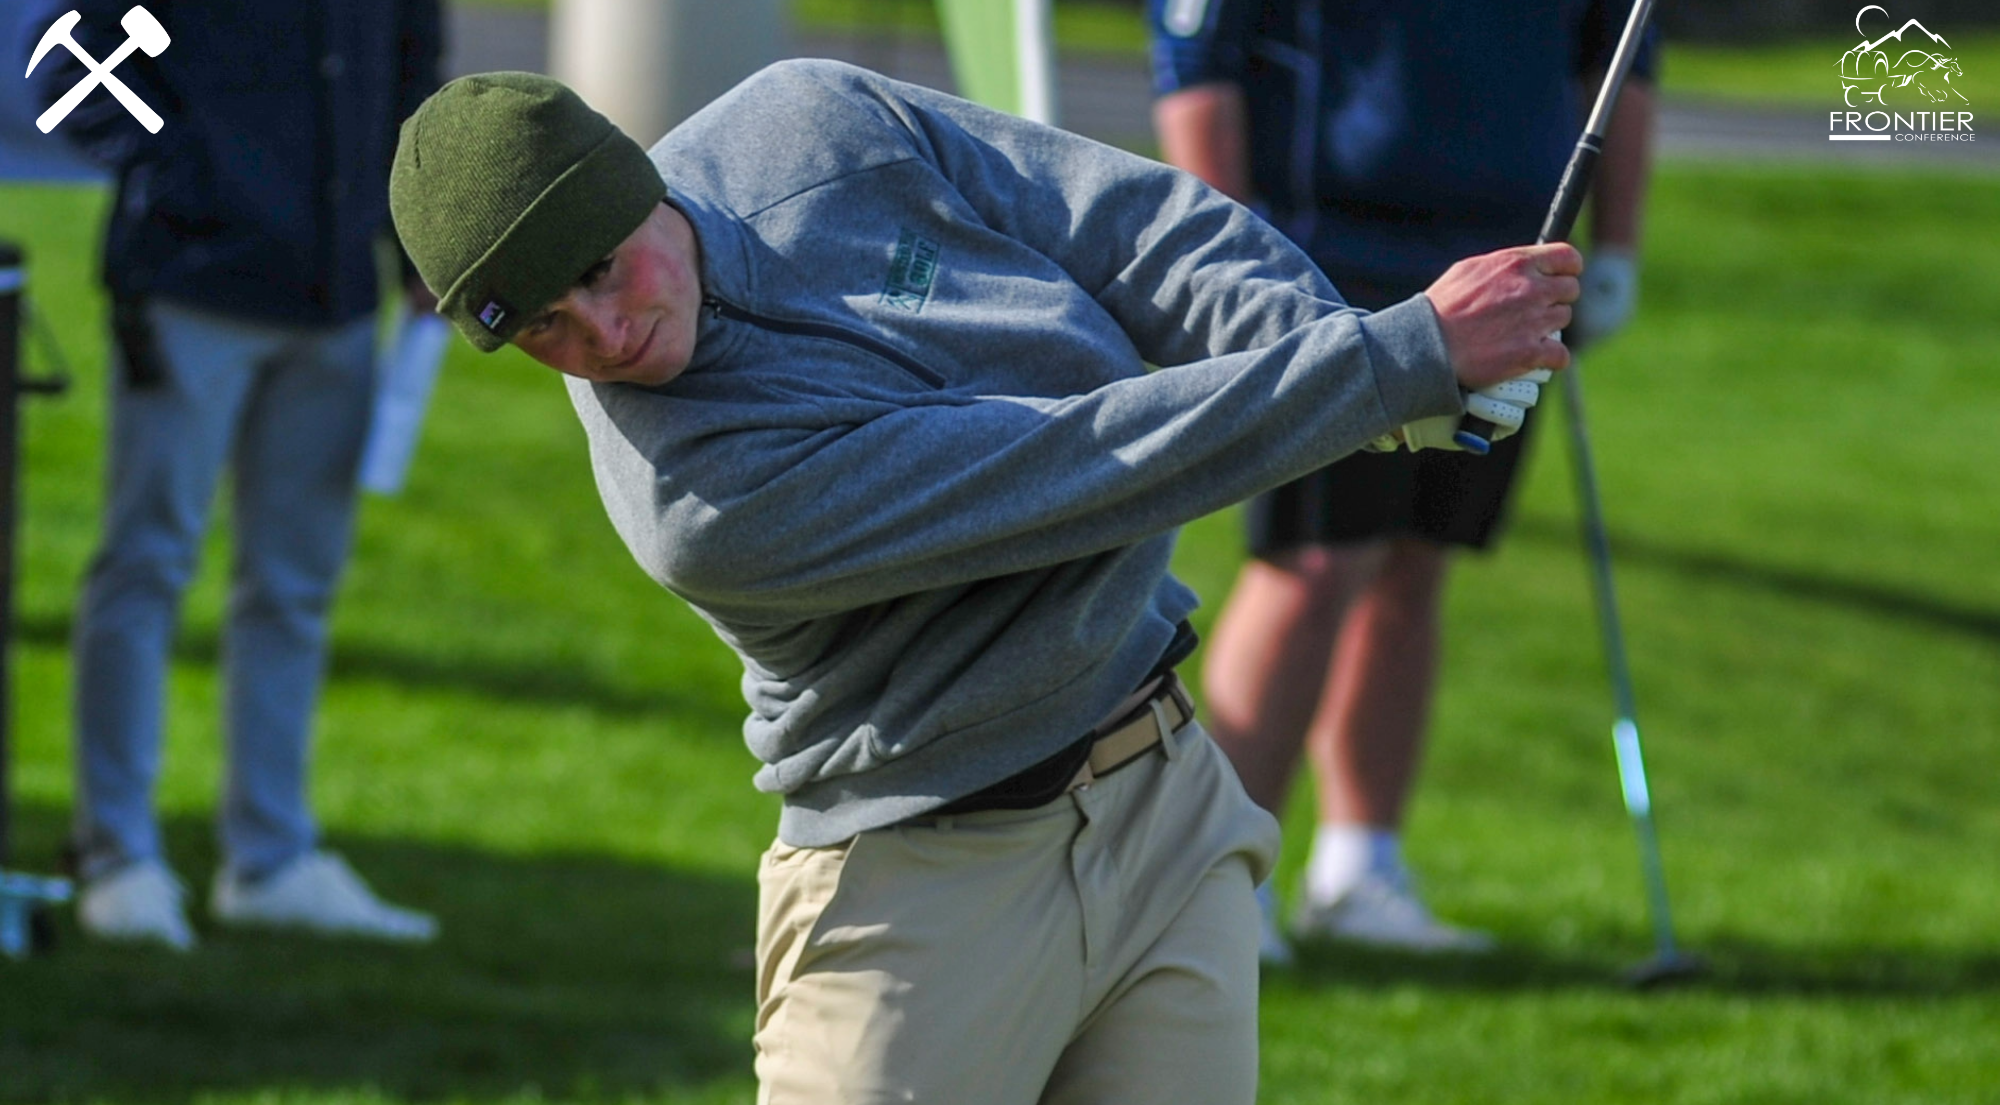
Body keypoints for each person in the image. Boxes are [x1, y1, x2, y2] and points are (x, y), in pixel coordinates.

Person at [389, 60, 1575, 1102]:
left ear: (636, 184)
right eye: (544, 328)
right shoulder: (697, 501)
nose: (601, 336)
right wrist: (1393, 362)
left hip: (1161, 800)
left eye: (602, 271)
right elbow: (1069, 471)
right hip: (920, 889)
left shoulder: (811, 121)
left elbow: (1132, 229)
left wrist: (1324, 350)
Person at [1149, 0, 1657, 959]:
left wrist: (1619, 247)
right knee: (1313, 560)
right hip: (1328, 267)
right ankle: (1216, 878)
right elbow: (1195, 62)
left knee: (1417, 562)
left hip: (1508, 262)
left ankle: (1358, 869)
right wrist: (1227, 265)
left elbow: (1621, 64)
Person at [33, 0, 445, 949]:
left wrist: (420, 236)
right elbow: (66, 62)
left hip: (334, 299)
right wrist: (188, 179)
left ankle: (270, 856)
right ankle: (116, 856)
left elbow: (408, 75)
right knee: (147, 563)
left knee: (294, 587)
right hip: (189, 288)